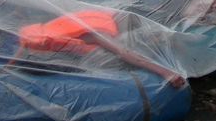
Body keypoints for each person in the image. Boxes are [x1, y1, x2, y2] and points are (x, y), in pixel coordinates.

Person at [13, 8, 185, 87]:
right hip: (40, 59)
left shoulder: (96, 15)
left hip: (33, 49)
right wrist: (165, 72)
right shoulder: (100, 29)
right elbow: (123, 52)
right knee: (108, 54)